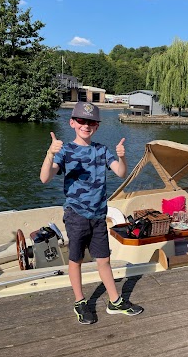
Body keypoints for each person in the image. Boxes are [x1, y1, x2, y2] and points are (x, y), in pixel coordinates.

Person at [40, 101, 143, 325]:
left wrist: (122, 156)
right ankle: (80, 302)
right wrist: (50, 153)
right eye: (81, 121)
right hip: (76, 215)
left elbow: (120, 172)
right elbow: (45, 178)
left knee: (104, 260)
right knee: (75, 260)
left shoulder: (101, 150)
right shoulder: (65, 151)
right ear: (72, 123)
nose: (86, 126)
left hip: (98, 216)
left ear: (96, 126)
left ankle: (114, 301)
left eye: (91, 122)